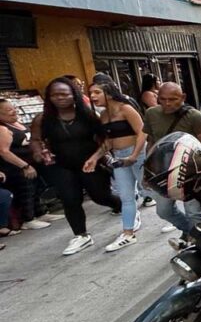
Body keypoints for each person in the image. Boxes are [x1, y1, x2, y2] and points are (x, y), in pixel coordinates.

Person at [31, 77, 122, 256]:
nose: (60, 98)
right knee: (70, 200)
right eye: (54, 95)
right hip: (61, 165)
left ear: (74, 95)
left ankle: (121, 205)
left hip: (90, 163)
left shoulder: (89, 115)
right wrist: (38, 152)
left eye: (64, 94)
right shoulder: (42, 119)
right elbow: (35, 139)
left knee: (100, 196)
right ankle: (81, 235)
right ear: (48, 97)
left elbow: (105, 140)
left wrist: (97, 158)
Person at [143, 82, 201, 238]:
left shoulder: (194, 116)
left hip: (190, 172)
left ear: (183, 97)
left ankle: (200, 243)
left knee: (194, 212)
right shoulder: (152, 114)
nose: (167, 103)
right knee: (163, 211)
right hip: (162, 172)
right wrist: (147, 174)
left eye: (173, 99)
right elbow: (151, 143)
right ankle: (191, 233)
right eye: (163, 99)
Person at [90, 82, 147, 252]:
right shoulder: (104, 115)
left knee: (148, 190)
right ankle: (128, 233)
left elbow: (142, 132)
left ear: (108, 93)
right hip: (119, 158)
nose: (92, 96)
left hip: (137, 153)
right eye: (90, 93)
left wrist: (135, 155)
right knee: (126, 197)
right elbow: (108, 142)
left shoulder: (126, 109)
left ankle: (174, 216)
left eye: (96, 92)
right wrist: (94, 158)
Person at [0, 99, 49, 231]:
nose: (14, 111)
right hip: (15, 167)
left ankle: (40, 213)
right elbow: (4, 152)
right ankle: (28, 219)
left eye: (13, 107)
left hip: (32, 161)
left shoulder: (17, 124)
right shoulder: (3, 129)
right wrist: (24, 166)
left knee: (38, 187)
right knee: (26, 190)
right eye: (9, 110)